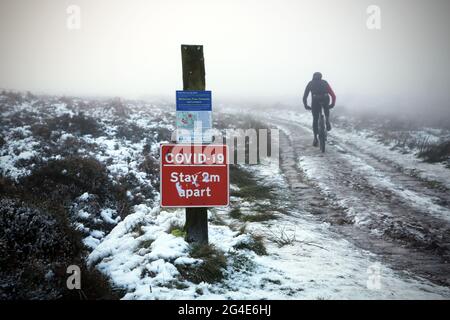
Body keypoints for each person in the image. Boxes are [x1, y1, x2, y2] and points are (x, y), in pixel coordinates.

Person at [303, 72, 336, 147]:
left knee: (315, 119)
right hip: (325, 98)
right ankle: (327, 119)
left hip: (315, 100)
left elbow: (305, 96)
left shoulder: (310, 83)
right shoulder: (325, 82)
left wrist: (306, 105)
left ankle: (315, 139)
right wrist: (333, 103)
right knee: (326, 108)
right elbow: (333, 95)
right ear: (321, 77)